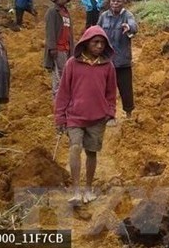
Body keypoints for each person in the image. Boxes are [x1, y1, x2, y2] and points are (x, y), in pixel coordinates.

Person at [54, 25, 116, 205]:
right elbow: (63, 92)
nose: (99, 46)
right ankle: (75, 190)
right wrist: (60, 117)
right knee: (74, 147)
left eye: (102, 43)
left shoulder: (107, 66)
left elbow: (111, 92)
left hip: (97, 118)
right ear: (86, 43)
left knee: (91, 152)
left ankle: (88, 188)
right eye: (95, 42)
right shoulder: (72, 64)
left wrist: (110, 112)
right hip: (74, 116)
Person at [97, 0, 138, 124]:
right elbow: (97, 31)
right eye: (113, 1)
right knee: (107, 89)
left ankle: (128, 112)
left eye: (118, 1)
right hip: (106, 60)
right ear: (110, 2)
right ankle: (109, 115)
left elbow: (134, 26)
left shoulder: (127, 15)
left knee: (125, 88)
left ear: (123, 3)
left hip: (122, 60)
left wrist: (128, 27)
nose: (115, 3)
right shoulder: (104, 16)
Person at [44, 0, 74, 99]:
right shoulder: (52, 12)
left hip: (67, 47)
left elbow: (70, 32)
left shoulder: (66, 12)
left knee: (66, 73)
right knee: (59, 74)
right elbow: (50, 31)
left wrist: (72, 48)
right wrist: (52, 47)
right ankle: (57, 98)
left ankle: (64, 98)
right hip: (58, 48)